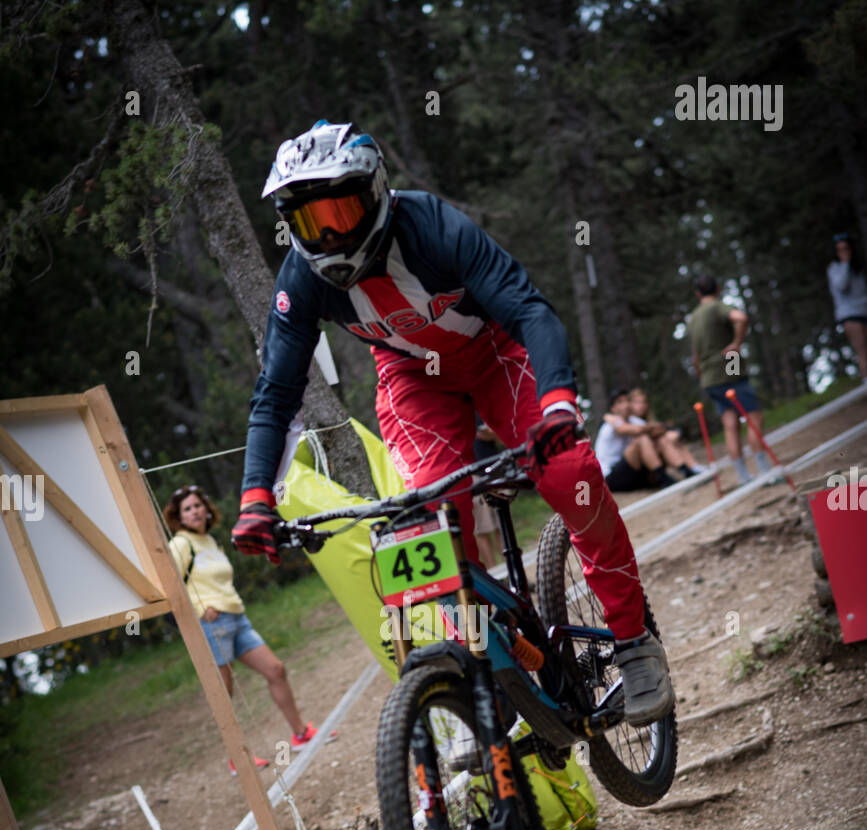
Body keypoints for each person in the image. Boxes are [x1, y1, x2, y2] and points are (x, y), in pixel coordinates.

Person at [231, 120, 674, 727]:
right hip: (415, 379)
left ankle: (633, 641)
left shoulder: (433, 226)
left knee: (569, 472)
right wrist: (256, 495)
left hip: (494, 355)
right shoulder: (301, 279)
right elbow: (277, 393)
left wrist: (559, 406)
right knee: (426, 531)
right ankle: (492, 675)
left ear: (376, 191)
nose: (329, 234)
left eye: (340, 210)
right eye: (310, 221)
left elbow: (527, 308)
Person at [164, 484, 331, 772]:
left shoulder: (210, 541)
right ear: (178, 517)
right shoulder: (180, 544)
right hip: (213, 625)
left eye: (197, 505)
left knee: (275, 670)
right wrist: (200, 609)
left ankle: (301, 733)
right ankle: (237, 759)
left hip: (237, 619)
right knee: (224, 693)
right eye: (187, 509)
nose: (195, 511)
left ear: (206, 508)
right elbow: (171, 586)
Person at [686, 274, 773, 486]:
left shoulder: (693, 318)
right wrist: (736, 343)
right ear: (717, 289)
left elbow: (695, 354)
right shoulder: (717, 307)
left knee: (730, 422)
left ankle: (743, 475)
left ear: (698, 294)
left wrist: (701, 373)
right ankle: (764, 470)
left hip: (709, 377)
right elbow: (741, 318)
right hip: (728, 367)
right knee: (754, 418)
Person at [595, 390, 676, 493]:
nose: (626, 404)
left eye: (627, 400)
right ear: (613, 409)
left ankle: (685, 469)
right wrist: (649, 428)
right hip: (611, 477)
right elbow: (634, 429)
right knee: (642, 438)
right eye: (620, 402)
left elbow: (658, 430)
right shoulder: (609, 425)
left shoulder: (634, 420)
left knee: (659, 440)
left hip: (631, 471)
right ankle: (663, 477)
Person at [627, 387, 705, 479]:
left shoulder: (644, 419)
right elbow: (652, 432)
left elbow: (659, 429)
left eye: (644, 402)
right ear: (630, 404)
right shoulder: (630, 421)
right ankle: (688, 468)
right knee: (666, 439)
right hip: (639, 463)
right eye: (637, 402)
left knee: (670, 437)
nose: (642, 405)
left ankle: (691, 466)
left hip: (654, 453)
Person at [827, 233, 867, 379]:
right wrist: (845, 264)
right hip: (850, 314)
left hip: (864, 311)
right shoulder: (835, 269)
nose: (844, 252)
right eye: (840, 250)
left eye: (846, 249)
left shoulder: (858, 268)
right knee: (862, 352)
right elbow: (841, 285)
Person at [472, 422, 505, 569]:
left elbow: (500, 437)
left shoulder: (481, 408)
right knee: (481, 528)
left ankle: (511, 571)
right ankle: (495, 575)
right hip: (472, 474)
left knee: (502, 523)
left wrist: (492, 433)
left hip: (496, 471)